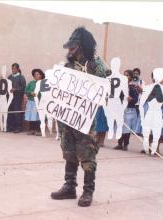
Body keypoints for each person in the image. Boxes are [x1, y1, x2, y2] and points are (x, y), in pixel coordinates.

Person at [50, 27, 107, 207]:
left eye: (73, 47)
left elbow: (103, 90)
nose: (70, 51)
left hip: (85, 120)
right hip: (67, 119)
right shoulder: (67, 66)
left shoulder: (95, 64)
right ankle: (69, 187)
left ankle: (88, 191)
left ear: (82, 46)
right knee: (69, 152)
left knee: (87, 155)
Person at [114, 70, 139, 151]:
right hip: (121, 109)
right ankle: (119, 143)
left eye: (127, 75)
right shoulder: (120, 86)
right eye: (124, 75)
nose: (125, 77)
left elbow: (136, 98)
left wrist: (131, 99)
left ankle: (126, 144)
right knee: (120, 126)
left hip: (129, 109)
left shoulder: (132, 87)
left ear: (131, 77)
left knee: (127, 128)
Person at [7, 63, 26, 133]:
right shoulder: (9, 77)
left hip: (17, 97)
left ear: (18, 69)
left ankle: (18, 127)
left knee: (17, 111)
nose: (13, 70)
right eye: (12, 68)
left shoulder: (21, 77)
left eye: (14, 68)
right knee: (10, 111)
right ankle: (11, 127)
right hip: (10, 98)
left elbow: (23, 87)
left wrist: (16, 89)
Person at [25, 68, 44, 135]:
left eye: (37, 74)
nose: (36, 76)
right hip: (31, 102)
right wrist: (30, 93)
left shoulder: (43, 83)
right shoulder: (31, 83)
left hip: (39, 102)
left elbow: (45, 93)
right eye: (35, 75)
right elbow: (26, 90)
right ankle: (31, 129)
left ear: (41, 75)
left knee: (38, 116)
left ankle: (38, 130)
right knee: (31, 116)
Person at [132, 68, 145, 136]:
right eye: (134, 73)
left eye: (136, 74)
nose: (135, 75)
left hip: (138, 102)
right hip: (132, 102)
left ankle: (136, 130)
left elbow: (143, 91)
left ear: (139, 75)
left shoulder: (141, 82)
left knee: (138, 116)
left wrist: (138, 86)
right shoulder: (130, 81)